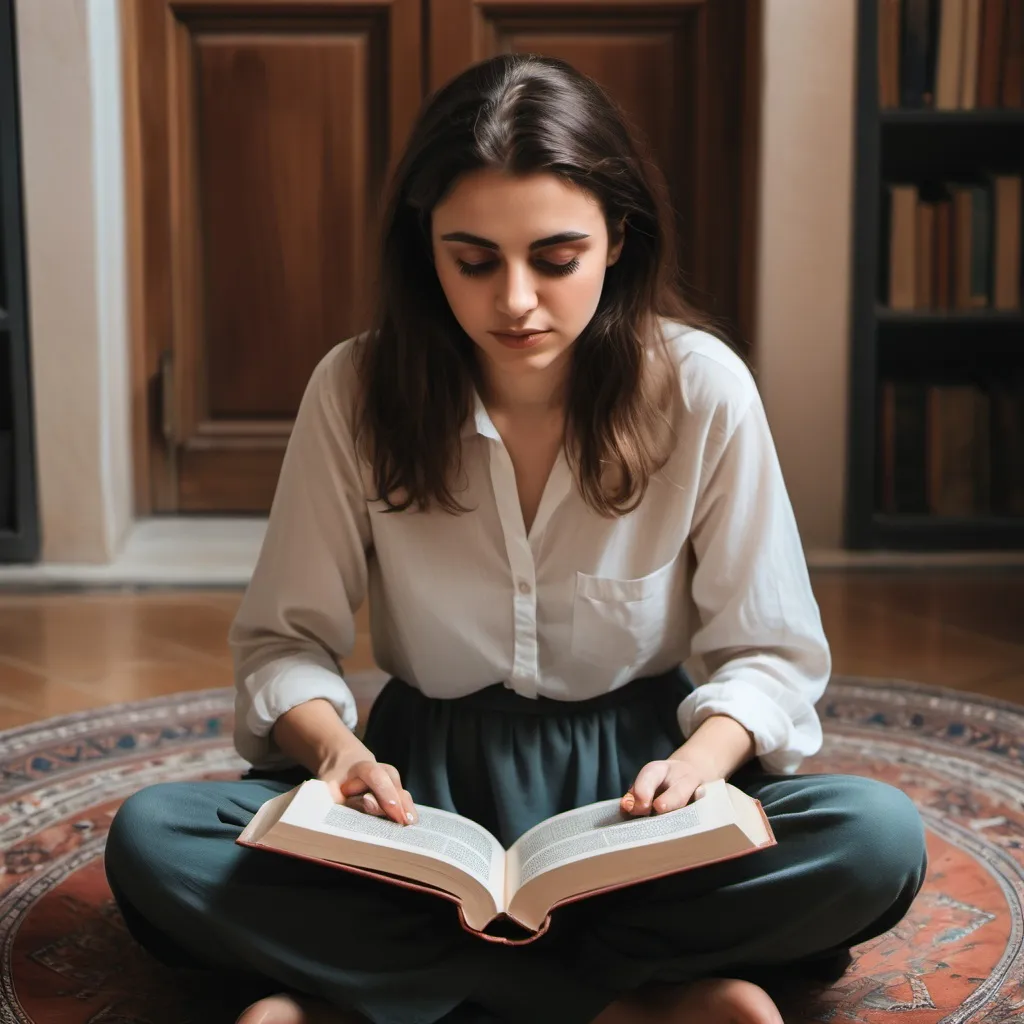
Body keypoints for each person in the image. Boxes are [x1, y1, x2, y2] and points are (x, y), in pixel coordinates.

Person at [104, 53, 927, 1024]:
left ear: (618, 237)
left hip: (640, 791)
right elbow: (285, 641)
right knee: (152, 839)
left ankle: (373, 995)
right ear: (426, 249)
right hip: (420, 799)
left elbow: (771, 654)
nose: (517, 302)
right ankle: (629, 1001)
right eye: (474, 259)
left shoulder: (702, 388)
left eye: (555, 256)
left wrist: (701, 763)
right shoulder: (355, 390)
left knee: (874, 840)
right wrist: (336, 755)